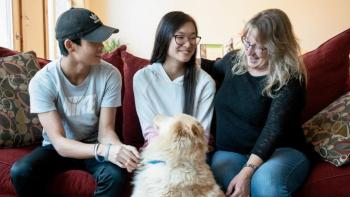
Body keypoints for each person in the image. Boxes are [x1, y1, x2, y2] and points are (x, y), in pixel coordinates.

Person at [10, 8, 140, 197]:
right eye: (94, 41)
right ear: (70, 45)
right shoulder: (43, 81)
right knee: (21, 172)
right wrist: (104, 150)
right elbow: (60, 143)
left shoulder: (110, 75)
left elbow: (106, 132)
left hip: (95, 145)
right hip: (57, 148)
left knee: (116, 175)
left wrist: (118, 149)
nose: (102, 46)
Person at [202, 9, 311, 197]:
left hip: (280, 151)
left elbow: (273, 130)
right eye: (248, 43)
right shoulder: (234, 60)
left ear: (279, 47)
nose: (250, 52)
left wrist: (247, 172)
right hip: (230, 152)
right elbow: (210, 67)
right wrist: (176, 57)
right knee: (229, 184)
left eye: (262, 47)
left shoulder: (290, 78)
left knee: (266, 184)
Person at [133, 11, 216, 145]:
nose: (188, 44)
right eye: (180, 37)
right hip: (158, 153)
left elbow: (202, 136)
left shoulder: (205, 83)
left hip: (193, 155)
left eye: (192, 38)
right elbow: (150, 133)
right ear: (164, 38)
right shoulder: (143, 78)